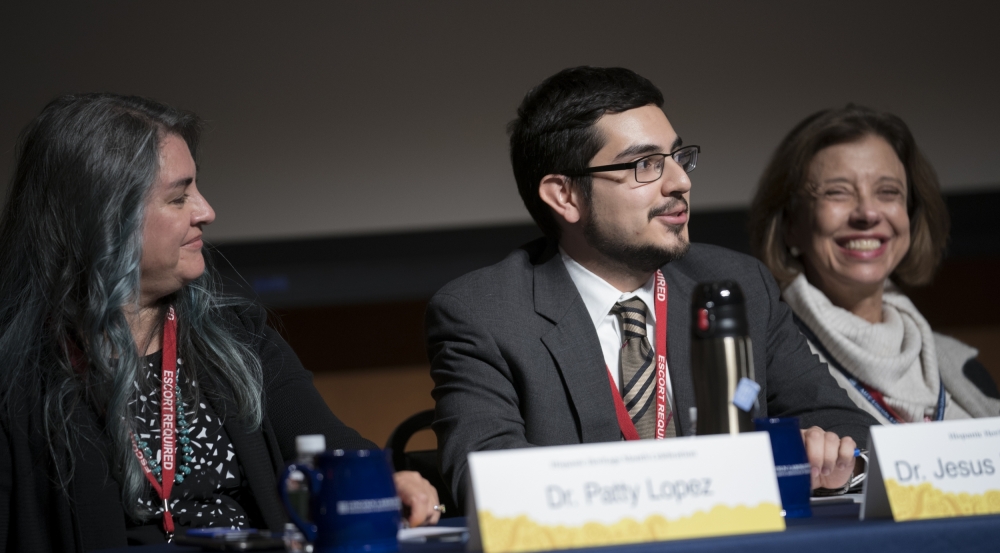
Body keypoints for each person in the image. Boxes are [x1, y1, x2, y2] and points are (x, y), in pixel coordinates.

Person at [0, 93, 440, 551]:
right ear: (103, 219)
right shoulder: (19, 382)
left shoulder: (238, 336)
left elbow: (332, 448)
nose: (205, 211)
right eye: (178, 197)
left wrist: (386, 480)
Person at [426, 67, 878, 508]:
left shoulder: (736, 283)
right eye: (646, 164)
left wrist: (830, 452)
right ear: (564, 195)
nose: (681, 182)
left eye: (678, 158)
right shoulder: (484, 313)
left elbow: (844, 425)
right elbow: (489, 479)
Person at [749, 104, 1000, 425]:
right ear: (790, 224)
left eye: (888, 192)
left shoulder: (961, 365)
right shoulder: (764, 369)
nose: (867, 213)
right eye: (838, 192)